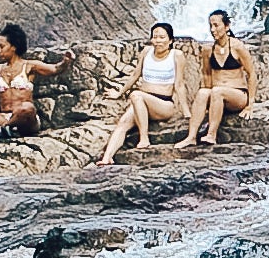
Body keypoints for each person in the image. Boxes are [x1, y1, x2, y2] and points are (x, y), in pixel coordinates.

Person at [101, 21, 189, 163]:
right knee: (123, 123)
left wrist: (186, 111)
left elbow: (179, 84)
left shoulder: (176, 55)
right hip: (141, 103)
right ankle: (107, 158)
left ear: (170, 40)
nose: (157, 41)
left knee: (136, 95)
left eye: (162, 37)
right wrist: (119, 93)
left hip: (163, 104)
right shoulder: (146, 52)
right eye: (155, 37)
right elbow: (135, 75)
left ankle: (144, 138)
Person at [184, 10, 257, 148]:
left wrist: (250, 105)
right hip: (217, 96)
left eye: (216, 25)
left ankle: (211, 134)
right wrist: (208, 102)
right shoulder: (208, 50)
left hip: (237, 96)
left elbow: (251, 74)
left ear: (227, 26)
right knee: (202, 92)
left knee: (217, 91)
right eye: (210, 26)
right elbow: (206, 74)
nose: (213, 30)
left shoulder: (237, 47)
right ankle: (191, 137)